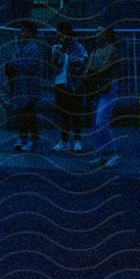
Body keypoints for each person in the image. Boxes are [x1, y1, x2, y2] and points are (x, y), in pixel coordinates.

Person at [82, 25, 123, 169]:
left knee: (101, 121)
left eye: (100, 31)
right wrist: (93, 71)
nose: (96, 34)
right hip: (95, 87)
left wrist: (92, 71)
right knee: (95, 123)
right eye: (96, 31)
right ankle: (102, 154)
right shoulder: (95, 52)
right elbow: (89, 71)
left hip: (107, 86)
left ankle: (113, 153)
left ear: (108, 34)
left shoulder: (112, 50)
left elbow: (104, 69)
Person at [3, 20, 44, 152]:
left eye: (23, 31)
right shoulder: (22, 46)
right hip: (21, 85)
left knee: (29, 114)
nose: (21, 33)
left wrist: (13, 63)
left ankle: (32, 139)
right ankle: (23, 138)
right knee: (21, 113)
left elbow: (27, 65)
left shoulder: (32, 49)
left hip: (29, 86)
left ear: (30, 33)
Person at [49, 21, 88, 152]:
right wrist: (59, 54)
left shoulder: (79, 47)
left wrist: (68, 55)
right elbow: (53, 66)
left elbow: (83, 62)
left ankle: (77, 140)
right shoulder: (56, 48)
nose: (57, 35)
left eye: (59, 32)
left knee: (76, 112)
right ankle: (64, 140)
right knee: (63, 113)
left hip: (75, 84)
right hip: (60, 82)